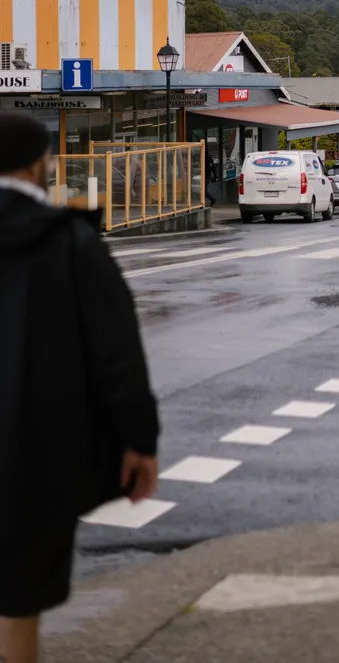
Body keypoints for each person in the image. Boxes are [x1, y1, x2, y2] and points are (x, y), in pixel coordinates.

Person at [0, 113, 159, 663]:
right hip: (36, 454)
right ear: (35, 164)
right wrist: (140, 442)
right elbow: (118, 353)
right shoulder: (71, 242)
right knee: (20, 602)